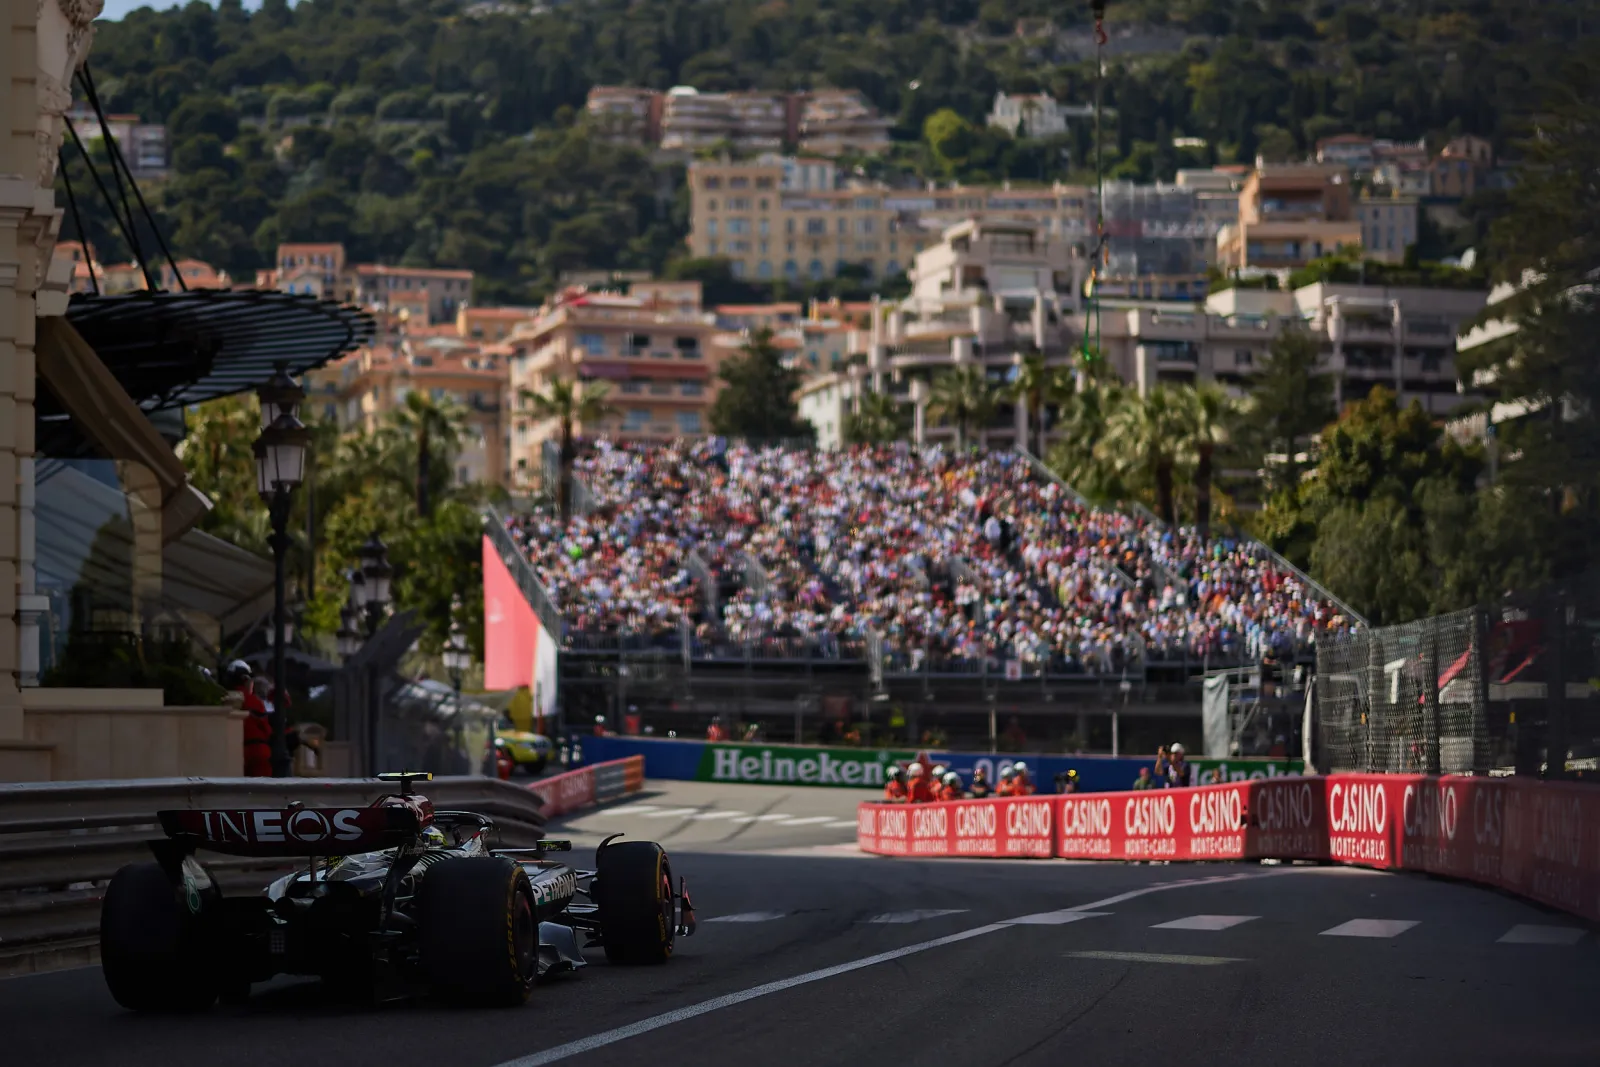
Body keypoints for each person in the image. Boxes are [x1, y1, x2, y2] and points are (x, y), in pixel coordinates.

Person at [226, 660, 272, 777]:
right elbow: (267, 729)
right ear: (246, 680)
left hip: (233, 752)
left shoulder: (225, 700)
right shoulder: (254, 701)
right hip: (258, 750)